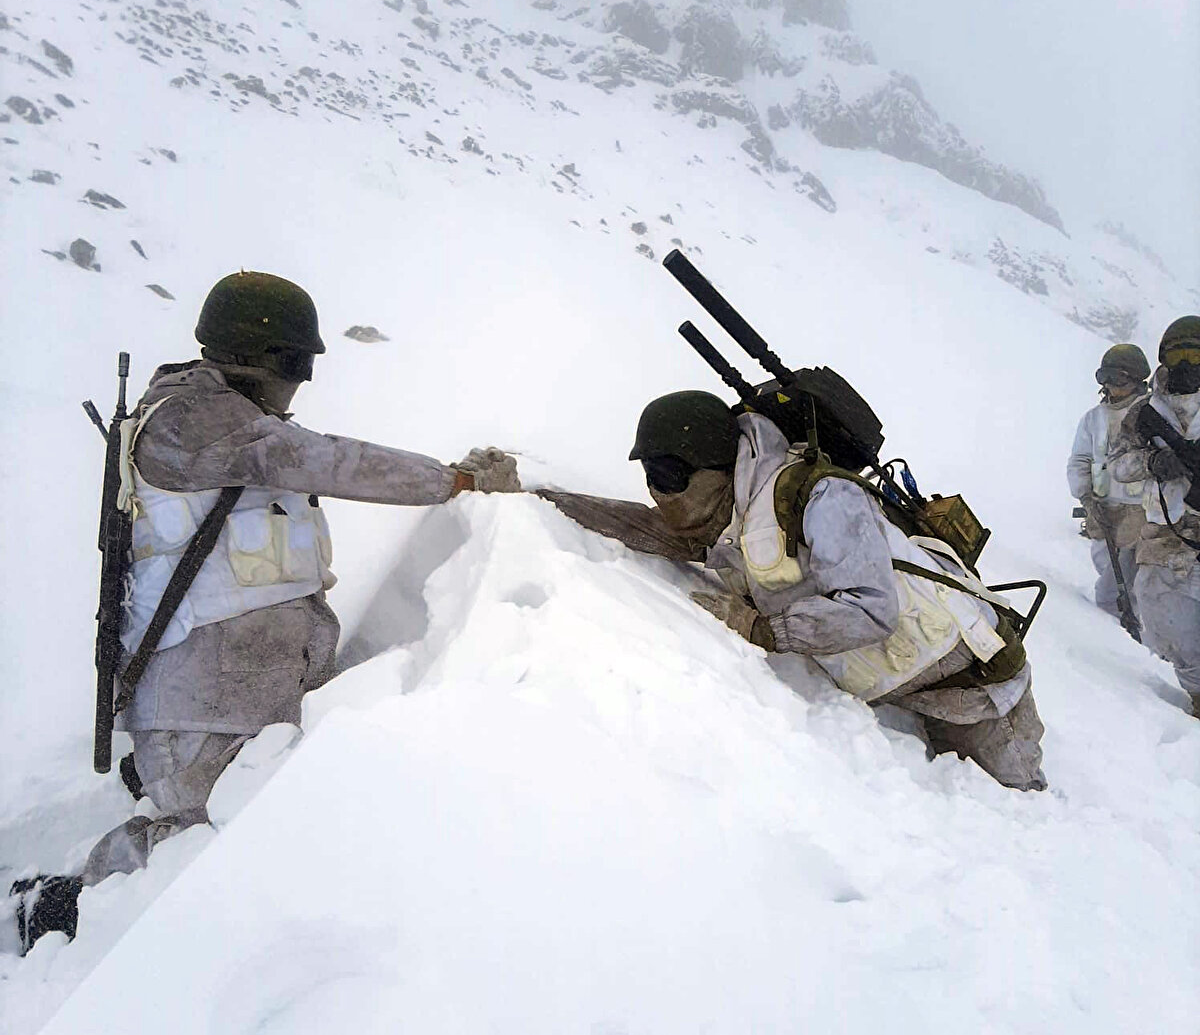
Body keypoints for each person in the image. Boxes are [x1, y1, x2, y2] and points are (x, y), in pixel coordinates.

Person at [9, 271, 520, 954]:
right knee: (196, 838)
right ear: (269, 358)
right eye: (299, 364)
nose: (304, 382)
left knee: (224, 827)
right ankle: (59, 907)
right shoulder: (196, 423)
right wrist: (455, 480)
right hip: (201, 700)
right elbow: (325, 460)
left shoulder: (236, 422)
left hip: (245, 696)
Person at [541, 390, 1047, 792]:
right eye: (650, 476)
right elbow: (644, 528)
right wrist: (525, 495)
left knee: (1014, 815)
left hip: (973, 689)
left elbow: (872, 610)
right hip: (900, 687)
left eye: (668, 475)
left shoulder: (821, 497)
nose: (658, 491)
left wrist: (762, 629)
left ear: (710, 466)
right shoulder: (727, 517)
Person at [1108, 316, 1200, 715]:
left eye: (1193, 355)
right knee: (1165, 616)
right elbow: (1118, 464)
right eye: (1176, 354)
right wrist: (1153, 460)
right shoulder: (1145, 414)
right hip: (1167, 533)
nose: (1184, 365)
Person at [1066, 343, 1150, 621]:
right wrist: (1086, 496)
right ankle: (1116, 630)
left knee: (1126, 584)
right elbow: (1079, 459)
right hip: (1103, 508)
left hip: (1141, 510)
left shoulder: (1150, 414)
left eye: (1119, 379)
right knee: (1106, 567)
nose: (1112, 387)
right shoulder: (1094, 418)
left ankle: (1126, 631)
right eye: (1106, 378)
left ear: (1137, 379)